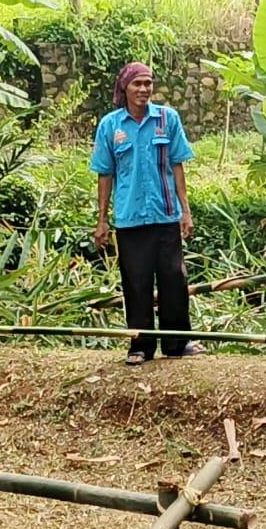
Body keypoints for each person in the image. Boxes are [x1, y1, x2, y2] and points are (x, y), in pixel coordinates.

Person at [90, 62, 204, 366]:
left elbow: (177, 165)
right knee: (136, 283)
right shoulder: (110, 127)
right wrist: (102, 220)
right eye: (137, 84)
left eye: (148, 83)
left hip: (166, 215)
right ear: (124, 88)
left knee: (173, 280)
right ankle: (140, 346)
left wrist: (185, 211)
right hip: (129, 218)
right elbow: (105, 174)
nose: (143, 89)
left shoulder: (168, 120)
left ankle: (178, 344)